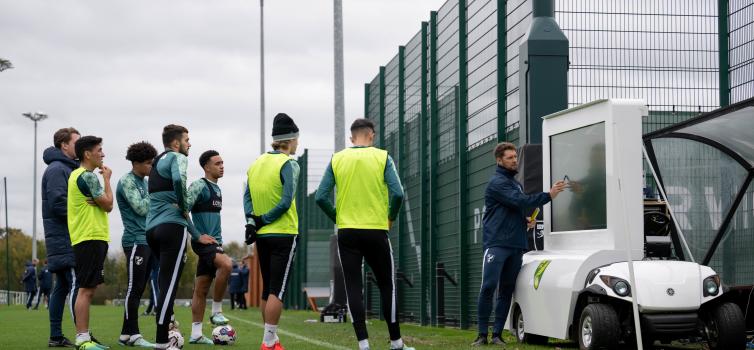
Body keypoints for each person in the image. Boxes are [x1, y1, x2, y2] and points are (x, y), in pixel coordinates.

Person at [315, 118, 413, 350]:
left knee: (352, 287)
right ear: (372, 135)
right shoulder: (382, 157)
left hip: (347, 232)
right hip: (376, 230)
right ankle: (396, 342)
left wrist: (338, 218)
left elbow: (320, 196)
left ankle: (363, 344)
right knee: (387, 285)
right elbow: (397, 193)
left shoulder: (337, 159)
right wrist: (390, 218)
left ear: (351, 138)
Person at [470, 142, 566, 346]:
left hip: (516, 245)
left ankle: (496, 335)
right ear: (499, 160)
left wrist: (525, 222)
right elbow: (520, 202)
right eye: (510, 157)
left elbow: (512, 209)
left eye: (515, 156)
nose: (515, 160)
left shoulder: (516, 184)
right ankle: (481, 335)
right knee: (488, 287)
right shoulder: (497, 183)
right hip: (496, 244)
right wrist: (549, 195)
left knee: (507, 290)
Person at [146, 124, 216, 349]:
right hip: (171, 229)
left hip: (151, 230)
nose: (189, 144)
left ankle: (165, 335)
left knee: (162, 282)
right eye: (187, 140)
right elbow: (178, 181)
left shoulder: (157, 161)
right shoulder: (178, 157)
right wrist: (184, 203)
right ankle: (162, 341)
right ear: (176, 143)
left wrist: (195, 234)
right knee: (169, 286)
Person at [244, 113, 301, 350]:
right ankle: (269, 342)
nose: (298, 143)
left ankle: (270, 339)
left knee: (268, 288)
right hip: (283, 232)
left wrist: (252, 222)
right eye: (297, 139)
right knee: (277, 289)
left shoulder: (255, 164)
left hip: (262, 236)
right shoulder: (289, 164)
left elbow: (246, 197)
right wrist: (265, 219)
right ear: (290, 140)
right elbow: (286, 201)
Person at [68, 135, 114, 350]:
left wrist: (100, 199)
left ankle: (84, 337)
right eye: (99, 150)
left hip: (92, 237)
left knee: (89, 288)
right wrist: (106, 179)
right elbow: (108, 205)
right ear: (87, 154)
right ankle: (82, 339)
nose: (102, 154)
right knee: (85, 290)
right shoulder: (87, 176)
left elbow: (102, 204)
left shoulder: (79, 175)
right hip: (89, 237)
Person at [187, 150, 233, 344]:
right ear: (206, 167)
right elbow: (182, 210)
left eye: (223, 163)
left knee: (202, 287)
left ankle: (196, 334)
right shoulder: (198, 185)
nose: (222, 166)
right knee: (227, 264)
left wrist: (219, 240)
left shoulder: (218, 189)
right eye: (217, 163)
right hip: (203, 242)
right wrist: (197, 235)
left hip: (215, 242)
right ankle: (216, 312)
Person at [41, 127, 80, 347]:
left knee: (62, 287)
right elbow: (58, 204)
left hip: (63, 237)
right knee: (76, 284)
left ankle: (56, 336)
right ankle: (83, 334)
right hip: (64, 237)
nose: (81, 146)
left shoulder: (66, 168)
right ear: (64, 145)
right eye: (76, 142)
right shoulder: (58, 169)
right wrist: (84, 210)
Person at [117, 141, 158, 347]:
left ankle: (126, 335)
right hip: (134, 241)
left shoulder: (144, 181)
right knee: (134, 288)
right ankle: (134, 334)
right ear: (137, 163)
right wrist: (157, 192)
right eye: (150, 163)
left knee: (140, 288)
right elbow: (141, 208)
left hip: (147, 240)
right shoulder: (127, 181)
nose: (153, 167)